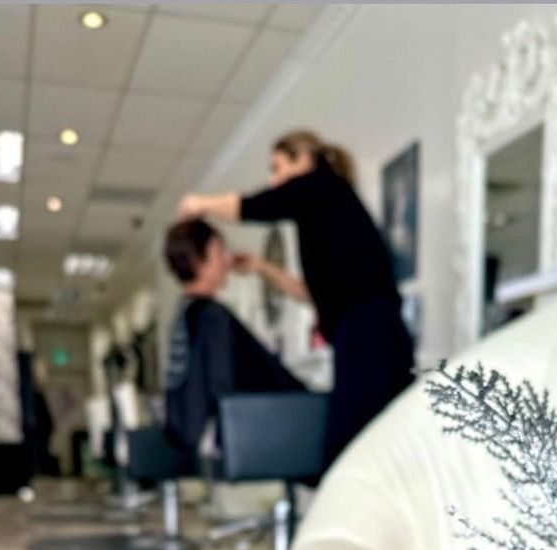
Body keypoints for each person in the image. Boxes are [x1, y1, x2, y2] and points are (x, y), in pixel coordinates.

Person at [178, 129, 414, 465]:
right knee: (375, 443)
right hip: (368, 332)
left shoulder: (321, 186)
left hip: (367, 331)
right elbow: (310, 294)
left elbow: (254, 206)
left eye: (278, 168)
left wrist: (201, 204)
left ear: (303, 160)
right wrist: (261, 267)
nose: (274, 180)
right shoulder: (322, 213)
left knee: (348, 448)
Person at [162, 217, 303, 455]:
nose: (227, 260)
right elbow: (222, 385)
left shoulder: (185, 313)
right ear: (199, 262)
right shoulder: (213, 316)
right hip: (275, 423)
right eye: (219, 252)